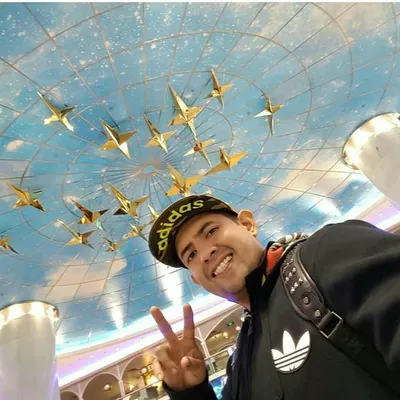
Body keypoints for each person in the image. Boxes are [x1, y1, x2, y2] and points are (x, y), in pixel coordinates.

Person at [148, 194, 400, 400]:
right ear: (195, 279)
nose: (205, 254)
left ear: (247, 224)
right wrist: (191, 393)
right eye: (191, 255)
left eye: (211, 231)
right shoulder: (240, 361)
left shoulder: (328, 252)